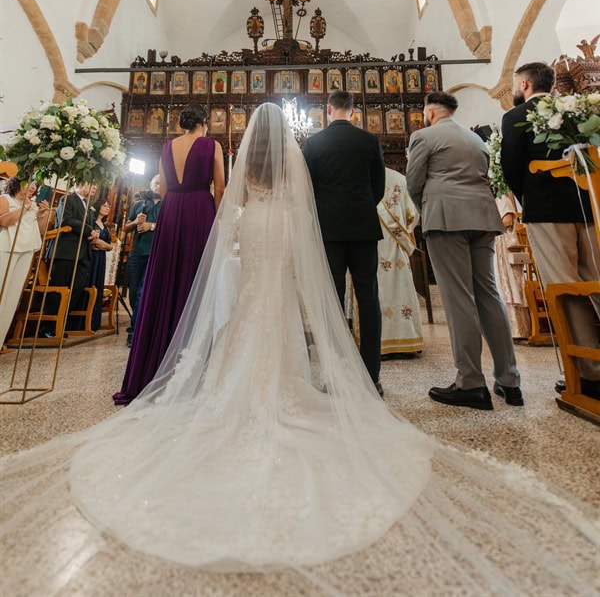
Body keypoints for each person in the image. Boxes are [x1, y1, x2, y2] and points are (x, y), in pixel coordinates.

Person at [1, 107, 597, 593]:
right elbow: (315, 204)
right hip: (295, 229)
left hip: (254, 228)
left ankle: (236, 384)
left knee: (249, 310)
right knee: (290, 305)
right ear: (285, 137)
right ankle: (337, 374)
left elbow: (229, 212)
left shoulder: (245, 162)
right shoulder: (311, 156)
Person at [406, 91, 522, 410]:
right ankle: (510, 381)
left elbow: (414, 183)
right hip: (483, 217)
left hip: (446, 219)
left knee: (458, 298)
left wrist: (429, 211)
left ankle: (470, 382)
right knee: (488, 293)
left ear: (430, 112)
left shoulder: (424, 136)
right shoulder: (476, 140)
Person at [500, 61, 600, 398]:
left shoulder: (516, 118)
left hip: (546, 211)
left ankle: (588, 373)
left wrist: (528, 198)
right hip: (589, 207)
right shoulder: (575, 110)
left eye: (516, 83)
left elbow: (511, 169)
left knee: (566, 288)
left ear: (525, 85)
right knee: (596, 280)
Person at [113, 104, 224, 405]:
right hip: (200, 209)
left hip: (172, 210)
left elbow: (162, 187)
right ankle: (193, 357)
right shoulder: (211, 145)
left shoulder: (166, 146)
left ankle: (157, 356)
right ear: (204, 122)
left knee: (165, 279)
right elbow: (221, 189)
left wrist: (175, 205)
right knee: (195, 280)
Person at [303, 89, 385, 393]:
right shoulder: (369, 140)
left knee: (332, 302)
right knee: (368, 298)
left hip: (329, 231)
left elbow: (307, 189)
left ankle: (335, 375)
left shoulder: (313, 143)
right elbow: (378, 187)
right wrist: (361, 208)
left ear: (328, 110)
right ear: (353, 111)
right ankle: (371, 375)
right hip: (363, 228)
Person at [374, 166, 423, 357]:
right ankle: (407, 341)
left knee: (375, 290)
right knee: (401, 287)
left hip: (370, 242)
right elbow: (413, 216)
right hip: (396, 245)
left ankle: (378, 342)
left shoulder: (361, 173)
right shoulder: (400, 179)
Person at [0, 179, 49, 348]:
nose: (34, 187)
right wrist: (25, 208)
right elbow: (4, 222)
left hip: (27, 250)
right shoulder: (5, 199)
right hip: (7, 248)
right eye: (30, 182)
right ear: (17, 184)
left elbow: (41, 230)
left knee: (12, 297)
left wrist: (43, 214)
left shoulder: (33, 205)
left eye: (36, 184)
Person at [48, 183, 99, 334]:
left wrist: (93, 233)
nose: (95, 188)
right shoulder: (68, 199)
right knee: (59, 289)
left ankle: (62, 322)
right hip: (66, 251)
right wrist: (90, 230)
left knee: (77, 288)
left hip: (83, 253)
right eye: (92, 184)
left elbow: (88, 225)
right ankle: (49, 326)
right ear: (80, 184)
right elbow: (65, 220)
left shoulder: (88, 205)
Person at [123, 174, 162, 347]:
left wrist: (151, 226)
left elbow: (171, 226)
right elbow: (126, 227)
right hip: (136, 253)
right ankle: (136, 321)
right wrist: (136, 223)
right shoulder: (139, 204)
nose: (158, 186)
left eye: (162, 183)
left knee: (142, 291)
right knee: (133, 292)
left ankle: (134, 331)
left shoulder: (167, 205)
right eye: (156, 183)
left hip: (155, 252)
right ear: (150, 185)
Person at [493, 192, 531, 339]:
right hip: (495, 245)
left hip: (503, 244)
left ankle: (518, 330)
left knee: (509, 286)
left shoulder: (501, 197)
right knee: (498, 286)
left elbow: (508, 221)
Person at [87, 198, 113, 331]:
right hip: (91, 258)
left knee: (98, 285)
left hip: (101, 259)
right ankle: (84, 321)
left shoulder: (105, 226)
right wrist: (106, 246)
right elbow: (94, 242)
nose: (107, 208)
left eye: (109, 206)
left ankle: (94, 322)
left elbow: (109, 246)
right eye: (105, 205)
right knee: (90, 284)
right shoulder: (91, 222)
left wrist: (106, 246)